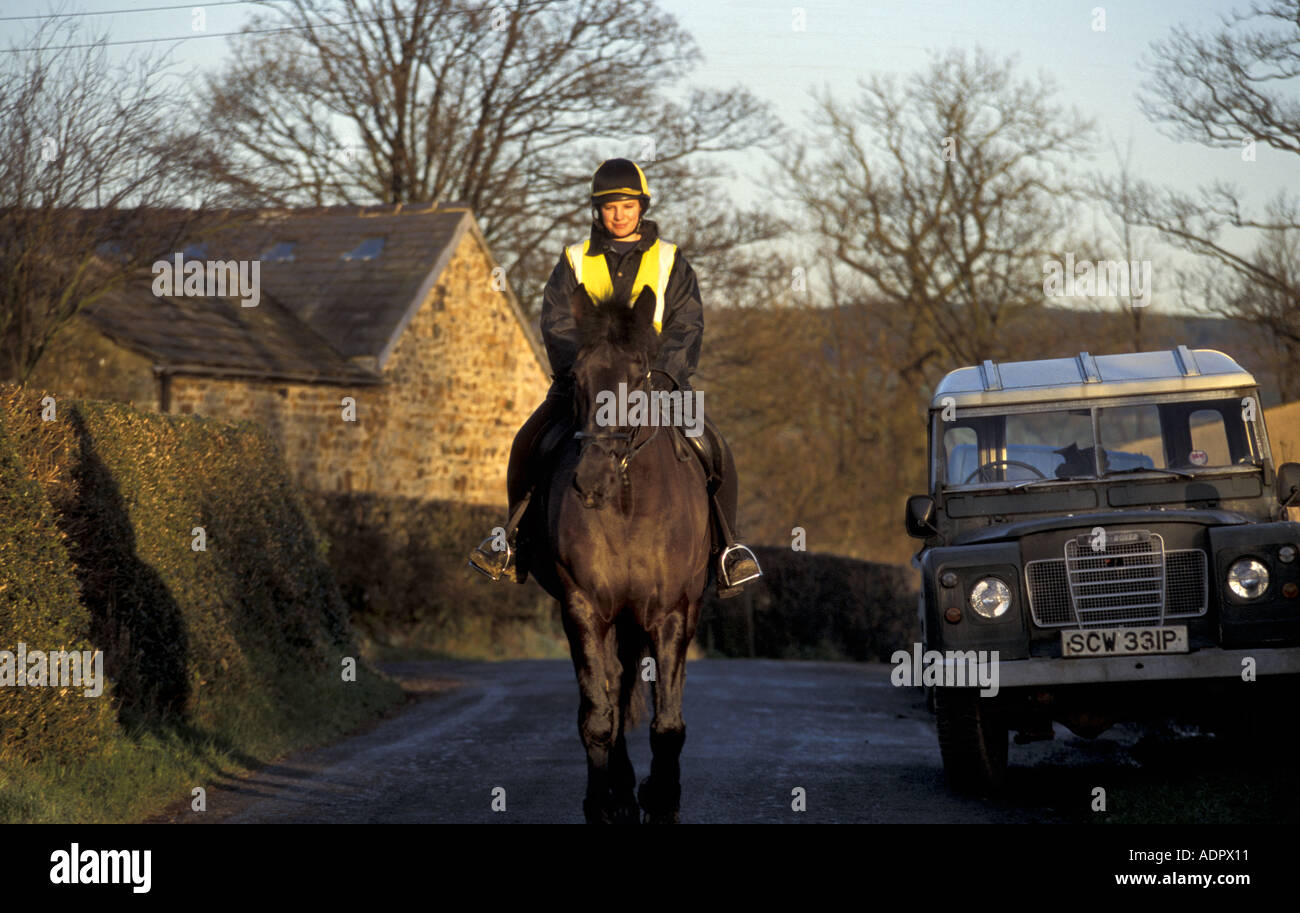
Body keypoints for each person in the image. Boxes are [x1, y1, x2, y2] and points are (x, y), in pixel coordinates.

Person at [468, 158, 761, 597]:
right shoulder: (573, 259)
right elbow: (557, 323)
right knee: (527, 443)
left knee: (713, 447)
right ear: (597, 212)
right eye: (609, 207)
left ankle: (727, 550)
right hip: (584, 388)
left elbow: (687, 324)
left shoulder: (671, 260)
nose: (619, 215)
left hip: (659, 388)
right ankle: (512, 544)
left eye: (626, 205)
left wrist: (663, 376)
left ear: (641, 207)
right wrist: (580, 372)